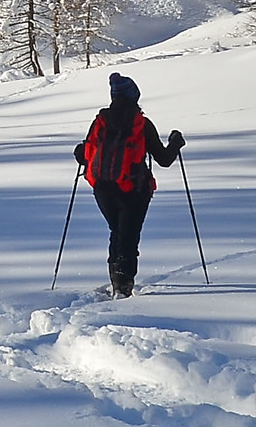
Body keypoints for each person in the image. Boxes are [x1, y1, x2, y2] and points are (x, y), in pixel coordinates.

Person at [72, 73, 183, 297]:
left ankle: (117, 280)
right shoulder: (141, 123)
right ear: (134, 96)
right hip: (134, 188)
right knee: (129, 236)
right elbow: (163, 159)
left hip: (103, 188)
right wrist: (176, 143)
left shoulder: (100, 121)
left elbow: (84, 154)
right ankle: (123, 286)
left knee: (117, 232)